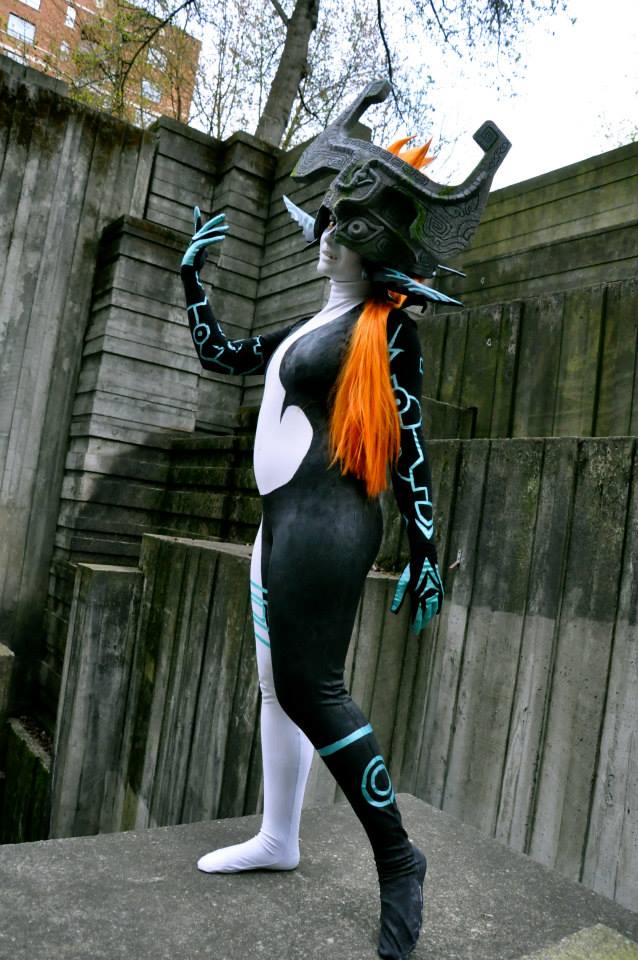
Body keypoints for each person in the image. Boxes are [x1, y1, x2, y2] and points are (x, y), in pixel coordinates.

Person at [180, 81, 509, 960]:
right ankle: (278, 836)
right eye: (327, 218)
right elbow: (222, 354)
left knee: (308, 688)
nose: (326, 234)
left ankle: (400, 860)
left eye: (347, 224)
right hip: (278, 523)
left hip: (326, 521)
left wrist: (427, 549)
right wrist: (192, 279)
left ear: (379, 242)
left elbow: (412, 443)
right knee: (274, 684)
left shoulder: (384, 329)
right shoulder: (311, 322)